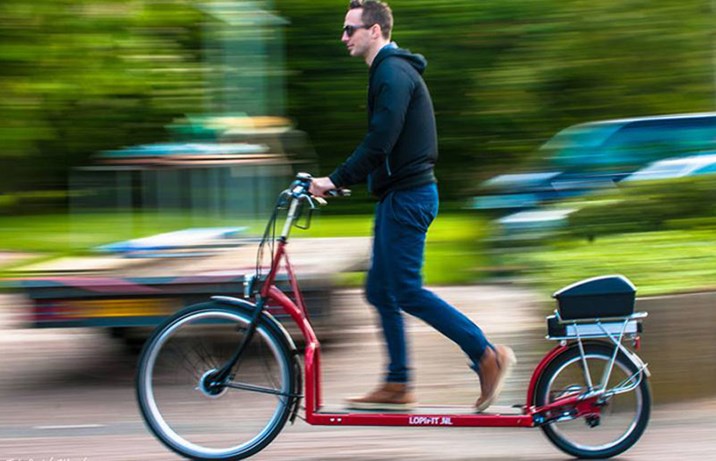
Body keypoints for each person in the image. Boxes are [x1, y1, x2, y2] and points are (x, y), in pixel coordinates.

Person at [309, 0, 515, 412]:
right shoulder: (388, 71)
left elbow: (381, 139)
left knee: (405, 290)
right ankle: (398, 383)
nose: (344, 37)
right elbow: (390, 146)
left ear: (375, 31)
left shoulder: (392, 71)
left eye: (351, 29)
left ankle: (486, 354)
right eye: (345, 29)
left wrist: (336, 178)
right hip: (397, 196)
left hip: (409, 198)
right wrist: (356, 180)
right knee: (379, 290)